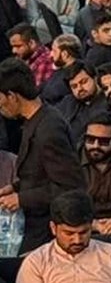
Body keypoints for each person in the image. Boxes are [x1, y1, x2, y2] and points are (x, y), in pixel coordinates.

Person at [0, 60, 86, 250]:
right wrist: (15, 187)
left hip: (45, 229)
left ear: (12, 96)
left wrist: (21, 199)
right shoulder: (37, 121)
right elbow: (41, 173)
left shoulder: (49, 129)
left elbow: (70, 186)